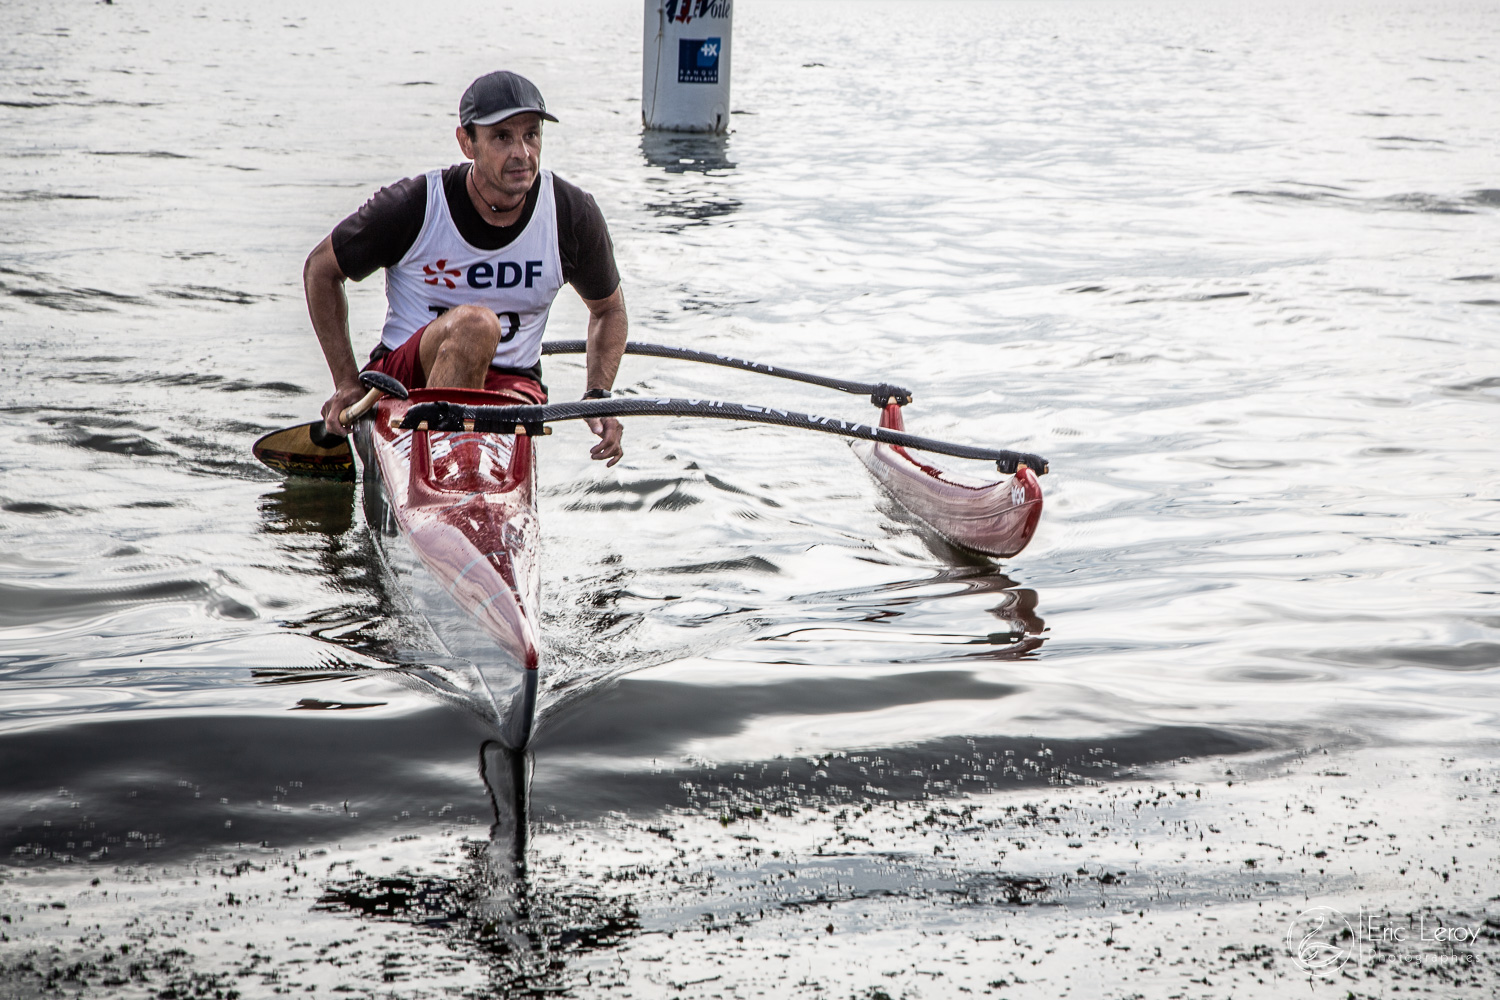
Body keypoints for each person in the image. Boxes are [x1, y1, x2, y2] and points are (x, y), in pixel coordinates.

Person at [303, 70, 626, 466]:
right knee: (477, 325)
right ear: (466, 143)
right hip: (407, 379)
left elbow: (608, 310)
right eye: (502, 137)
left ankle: (458, 477)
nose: (522, 153)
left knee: (479, 328)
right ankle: (436, 472)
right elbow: (321, 270)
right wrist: (346, 382)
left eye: (531, 135)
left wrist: (598, 394)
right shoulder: (416, 205)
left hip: (511, 385)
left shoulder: (572, 214)